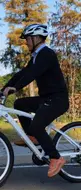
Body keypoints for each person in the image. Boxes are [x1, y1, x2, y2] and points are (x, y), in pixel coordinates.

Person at [1, 24, 69, 177]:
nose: (26, 42)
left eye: (27, 39)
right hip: (47, 98)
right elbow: (23, 73)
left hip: (58, 99)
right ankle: (33, 136)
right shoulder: (36, 56)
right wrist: (4, 89)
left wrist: (15, 88)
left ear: (36, 38)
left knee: (38, 125)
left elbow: (32, 74)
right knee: (20, 104)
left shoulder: (47, 54)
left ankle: (56, 158)